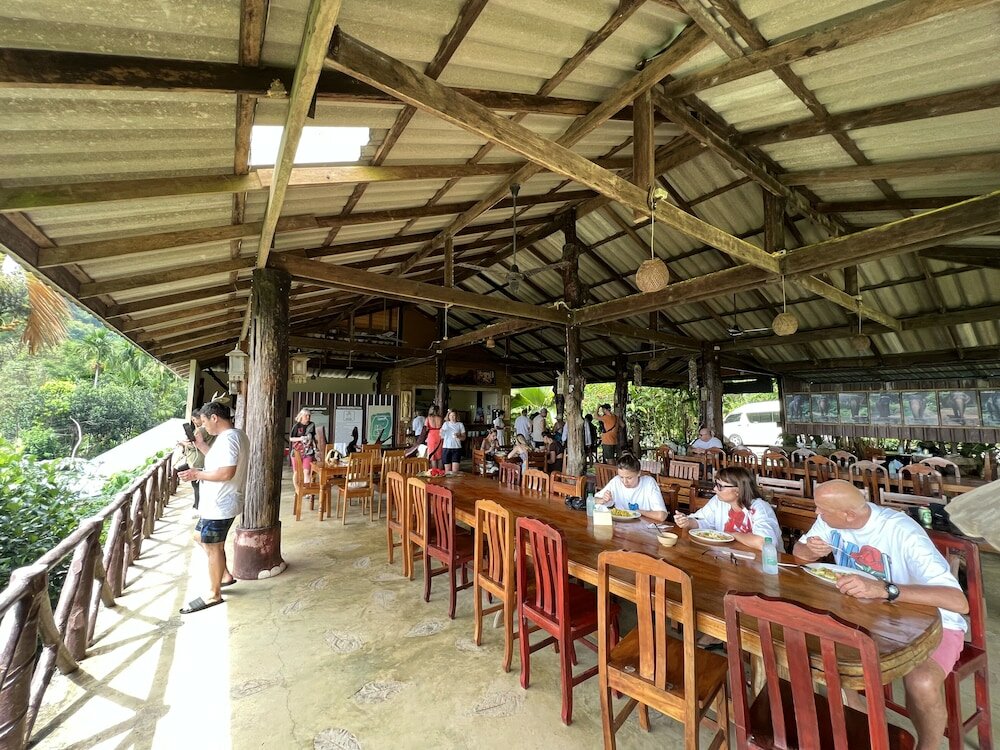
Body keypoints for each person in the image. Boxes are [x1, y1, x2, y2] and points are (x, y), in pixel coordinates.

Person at [793, 480, 969, 750]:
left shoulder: (900, 530)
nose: (817, 514)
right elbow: (799, 553)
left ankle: (928, 746)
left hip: (932, 621)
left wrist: (885, 589)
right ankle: (863, 728)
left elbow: (957, 601)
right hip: (867, 616)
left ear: (848, 515)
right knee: (826, 656)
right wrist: (810, 550)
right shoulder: (831, 521)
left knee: (921, 681)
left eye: (822, 509)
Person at [176, 401, 249, 615]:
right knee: (200, 538)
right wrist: (200, 446)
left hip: (221, 503)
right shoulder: (233, 436)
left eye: (205, 421)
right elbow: (219, 463)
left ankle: (214, 594)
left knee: (213, 547)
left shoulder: (229, 440)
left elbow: (226, 473)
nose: (203, 426)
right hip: (219, 502)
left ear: (214, 418)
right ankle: (224, 575)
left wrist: (196, 474)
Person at [674, 466, 781, 550]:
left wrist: (731, 535)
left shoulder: (759, 507)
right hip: (727, 558)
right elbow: (703, 521)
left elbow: (765, 543)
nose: (715, 489)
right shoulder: (719, 501)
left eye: (720, 486)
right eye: (716, 484)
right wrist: (687, 522)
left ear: (738, 490)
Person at [595, 453, 667, 523]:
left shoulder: (649, 483)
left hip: (644, 529)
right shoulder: (616, 481)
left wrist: (638, 512)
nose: (624, 482)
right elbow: (593, 500)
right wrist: (603, 500)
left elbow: (661, 516)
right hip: (621, 528)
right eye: (621, 477)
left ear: (639, 473)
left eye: (629, 478)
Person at [289, 409, 317, 475]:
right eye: (306, 415)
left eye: (309, 415)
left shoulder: (312, 425)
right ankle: (297, 485)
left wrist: (314, 446)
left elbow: (313, 437)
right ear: (301, 416)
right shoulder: (296, 426)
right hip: (297, 451)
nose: (308, 417)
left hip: (308, 452)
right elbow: (291, 438)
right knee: (297, 473)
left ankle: (305, 485)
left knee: (307, 472)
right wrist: (300, 438)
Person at [439, 409, 466, 473]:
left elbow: (464, 438)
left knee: (455, 471)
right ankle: (447, 483)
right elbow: (441, 436)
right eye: (450, 415)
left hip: (456, 448)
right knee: (447, 471)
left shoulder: (460, 424)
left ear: (456, 416)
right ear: (448, 416)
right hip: (446, 448)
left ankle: (455, 483)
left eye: (454, 415)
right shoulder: (445, 424)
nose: (452, 417)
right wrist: (441, 432)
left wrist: (458, 436)